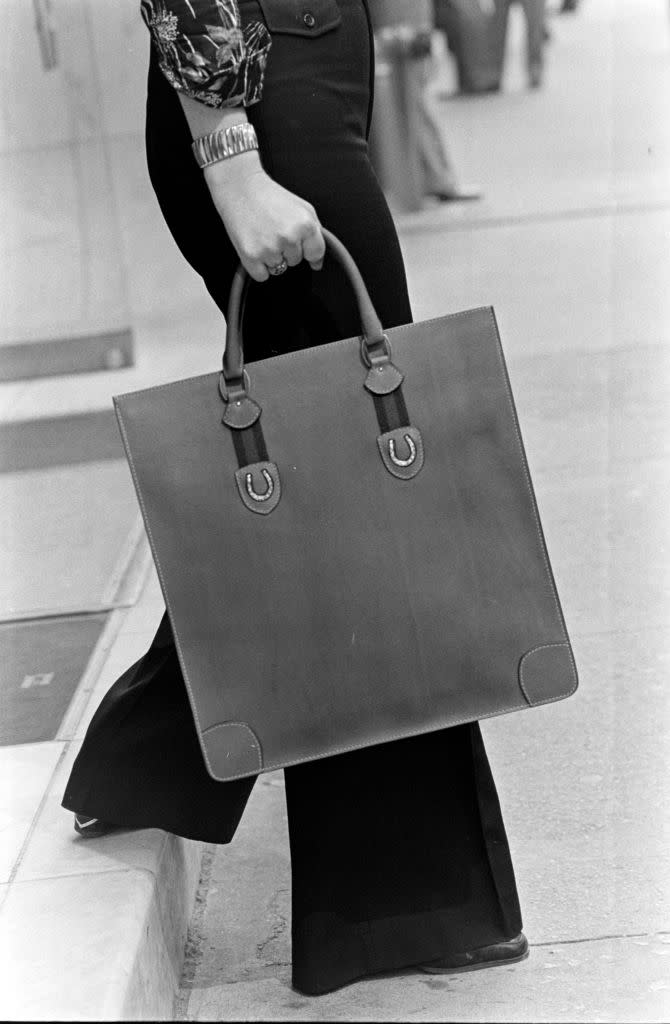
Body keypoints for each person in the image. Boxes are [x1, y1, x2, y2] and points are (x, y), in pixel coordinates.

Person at [62, 0, 527, 996]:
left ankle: (150, 756)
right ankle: (396, 900)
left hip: (310, 67)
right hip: (257, 89)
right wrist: (227, 153)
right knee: (360, 474)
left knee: (332, 462)